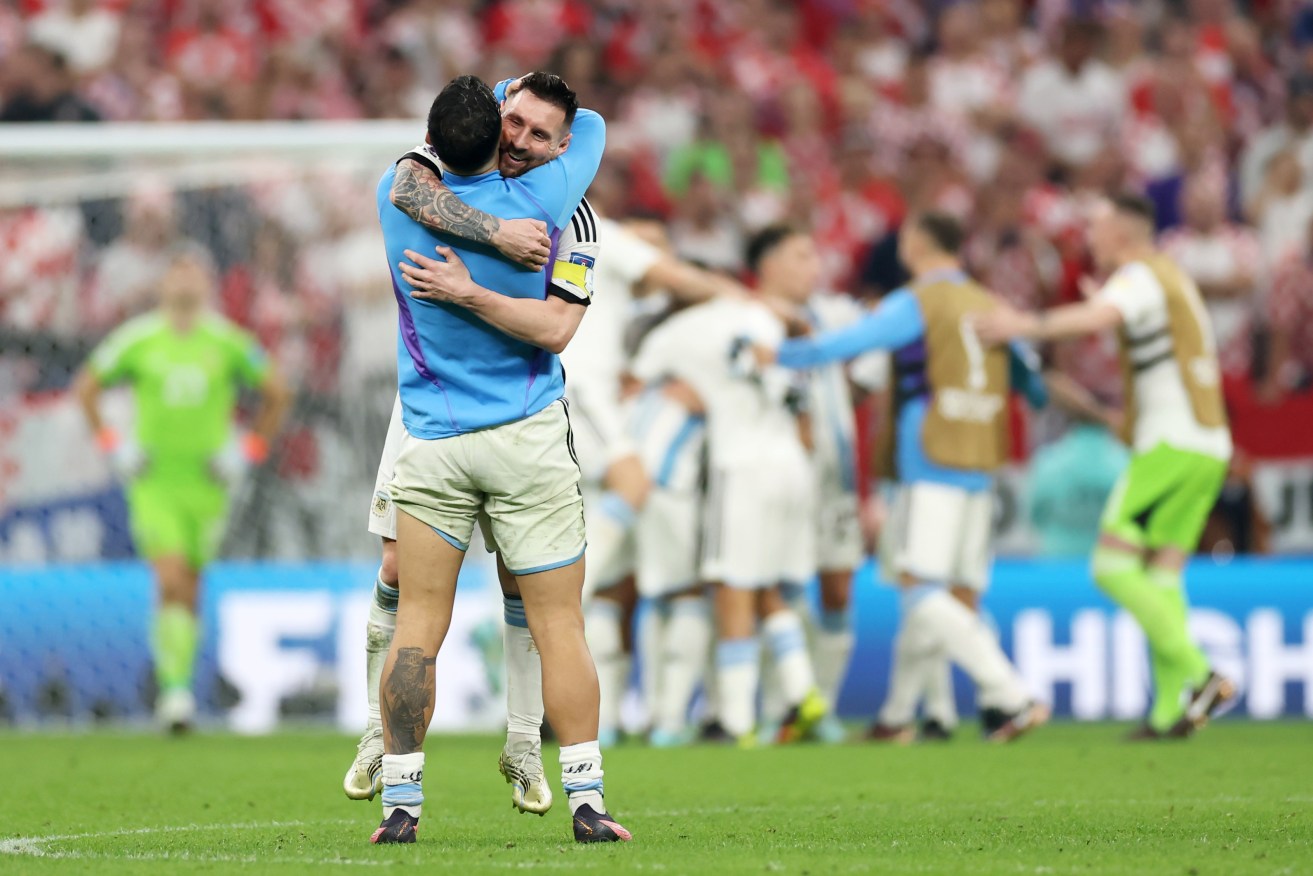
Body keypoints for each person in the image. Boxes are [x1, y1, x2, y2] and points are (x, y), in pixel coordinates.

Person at [371, 74, 629, 845]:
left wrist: (458, 279)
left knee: (416, 623)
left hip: (432, 439)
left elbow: (425, 165)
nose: (519, 137)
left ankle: (400, 806)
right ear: (497, 134)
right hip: (524, 438)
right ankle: (585, 798)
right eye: (510, 122)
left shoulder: (398, 194)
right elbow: (595, 126)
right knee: (559, 624)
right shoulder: (550, 201)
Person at [760, 212, 1050, 744]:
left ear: (915, 244)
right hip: (984, 463)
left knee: (920, 589)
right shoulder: (989, 305)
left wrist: (776, 354)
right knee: (953, 595)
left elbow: (843, 346)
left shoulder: (916, 300)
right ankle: (898, 716)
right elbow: (1035, 388)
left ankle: (1012, 694)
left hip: (931, 461)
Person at [975, 193, 1236, 739]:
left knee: (1111, 567)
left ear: (1121, 232)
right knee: (1160, 575)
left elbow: (1098, 314)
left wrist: (1023, 323)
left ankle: (1201, 673)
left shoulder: (1139, 275)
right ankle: (1171, 713)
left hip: (1171, 444)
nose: (1087, 238)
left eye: (1094, 227)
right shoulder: (1168, 276)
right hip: (1206, 441)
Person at [74, 246, 289, 731]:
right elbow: (87, 385)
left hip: (208, 483)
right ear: (164, 284)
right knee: (169, 576)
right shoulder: (140, 339)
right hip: (155, 480)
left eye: (194, 271)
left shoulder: (228, 341)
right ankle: (173, 693)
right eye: (177, 271)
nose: (185, 280)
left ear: (206, 284)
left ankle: (178, 688)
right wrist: (114, 446)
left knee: (189, 585)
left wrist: (247, 451)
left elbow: (277, 390)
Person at [628, 283, 826, 748]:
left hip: (741, 466)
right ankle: (802, 690)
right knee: (767, 585)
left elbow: (633, 385)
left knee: (731, 586)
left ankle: (737, 721)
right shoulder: (765, 316)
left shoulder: (679, 329)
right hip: (794, 463)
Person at [745, 224, 877, 741]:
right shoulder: (751, 318)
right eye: (803, 255)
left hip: (833, 477)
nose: (814, 267)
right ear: (769, 264)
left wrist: (852, 389)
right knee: (783, 588)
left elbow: (879, 347)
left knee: (838, 587)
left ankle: (823, 704)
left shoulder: (834, 314)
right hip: (777, 475)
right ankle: (784, 706)